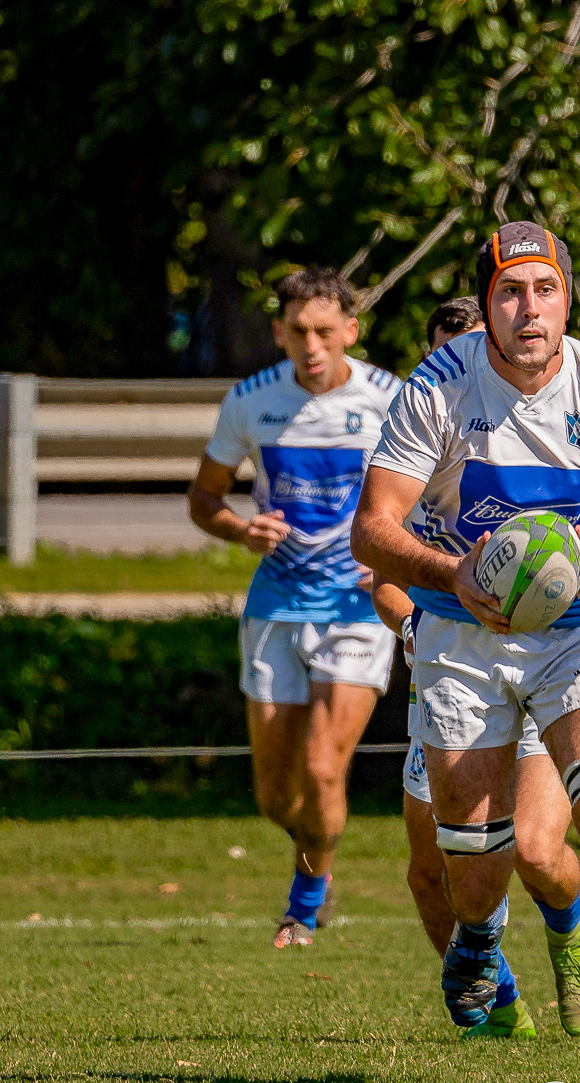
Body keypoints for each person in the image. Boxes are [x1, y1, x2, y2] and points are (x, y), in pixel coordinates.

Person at [351, 222, 580, 1083]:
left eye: (544, 289)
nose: (529, 309)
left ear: (568, 296)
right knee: (472, 866)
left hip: (576, 636)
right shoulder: (437, 385)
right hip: (457, 634)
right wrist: (454, 571)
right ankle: (478, 939)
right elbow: (373, 528)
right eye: (511, 292)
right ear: (489, 304)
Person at [185, 267, 406, 947]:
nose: (312, 345)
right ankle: (316, 848)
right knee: (276, 796)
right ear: (279, 332)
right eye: (298, 331)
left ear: (350, 330)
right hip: (277, 604)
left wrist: (399, 555)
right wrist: (239, 529)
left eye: (324, 331)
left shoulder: (392, 399)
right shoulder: (251, 400)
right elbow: (204, 499)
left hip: (356, 606)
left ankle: (305, 900)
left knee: (321, 768)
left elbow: (435, 494)